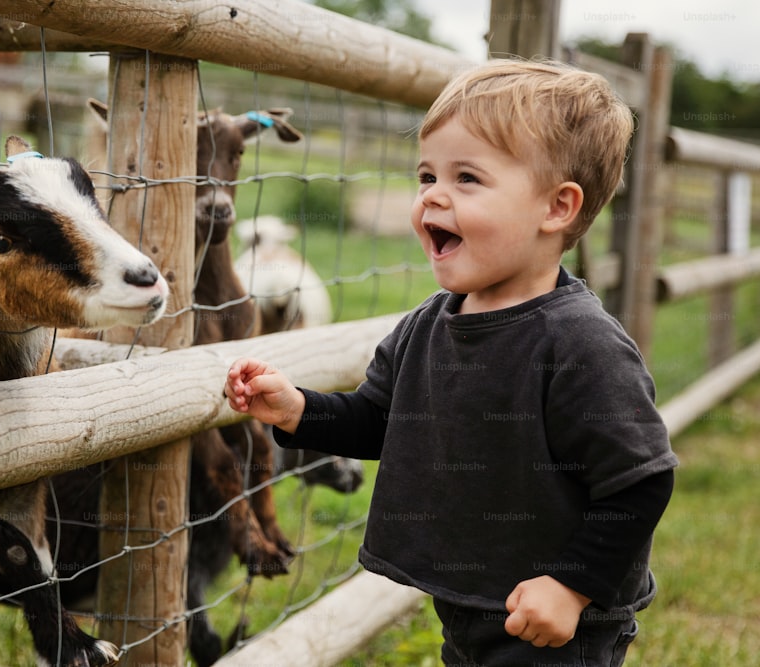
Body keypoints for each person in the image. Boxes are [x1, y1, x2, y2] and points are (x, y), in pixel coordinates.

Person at [225, 59, 678, 666]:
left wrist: (571, 585)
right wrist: (299, 409)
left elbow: (641, 481)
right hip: (470, 599)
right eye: (426, 175)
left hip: (555, 623)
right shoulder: (430, 322)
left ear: (556, 208)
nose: (433, 195)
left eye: (467, 178)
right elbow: (381, 419)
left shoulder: (579, 343)